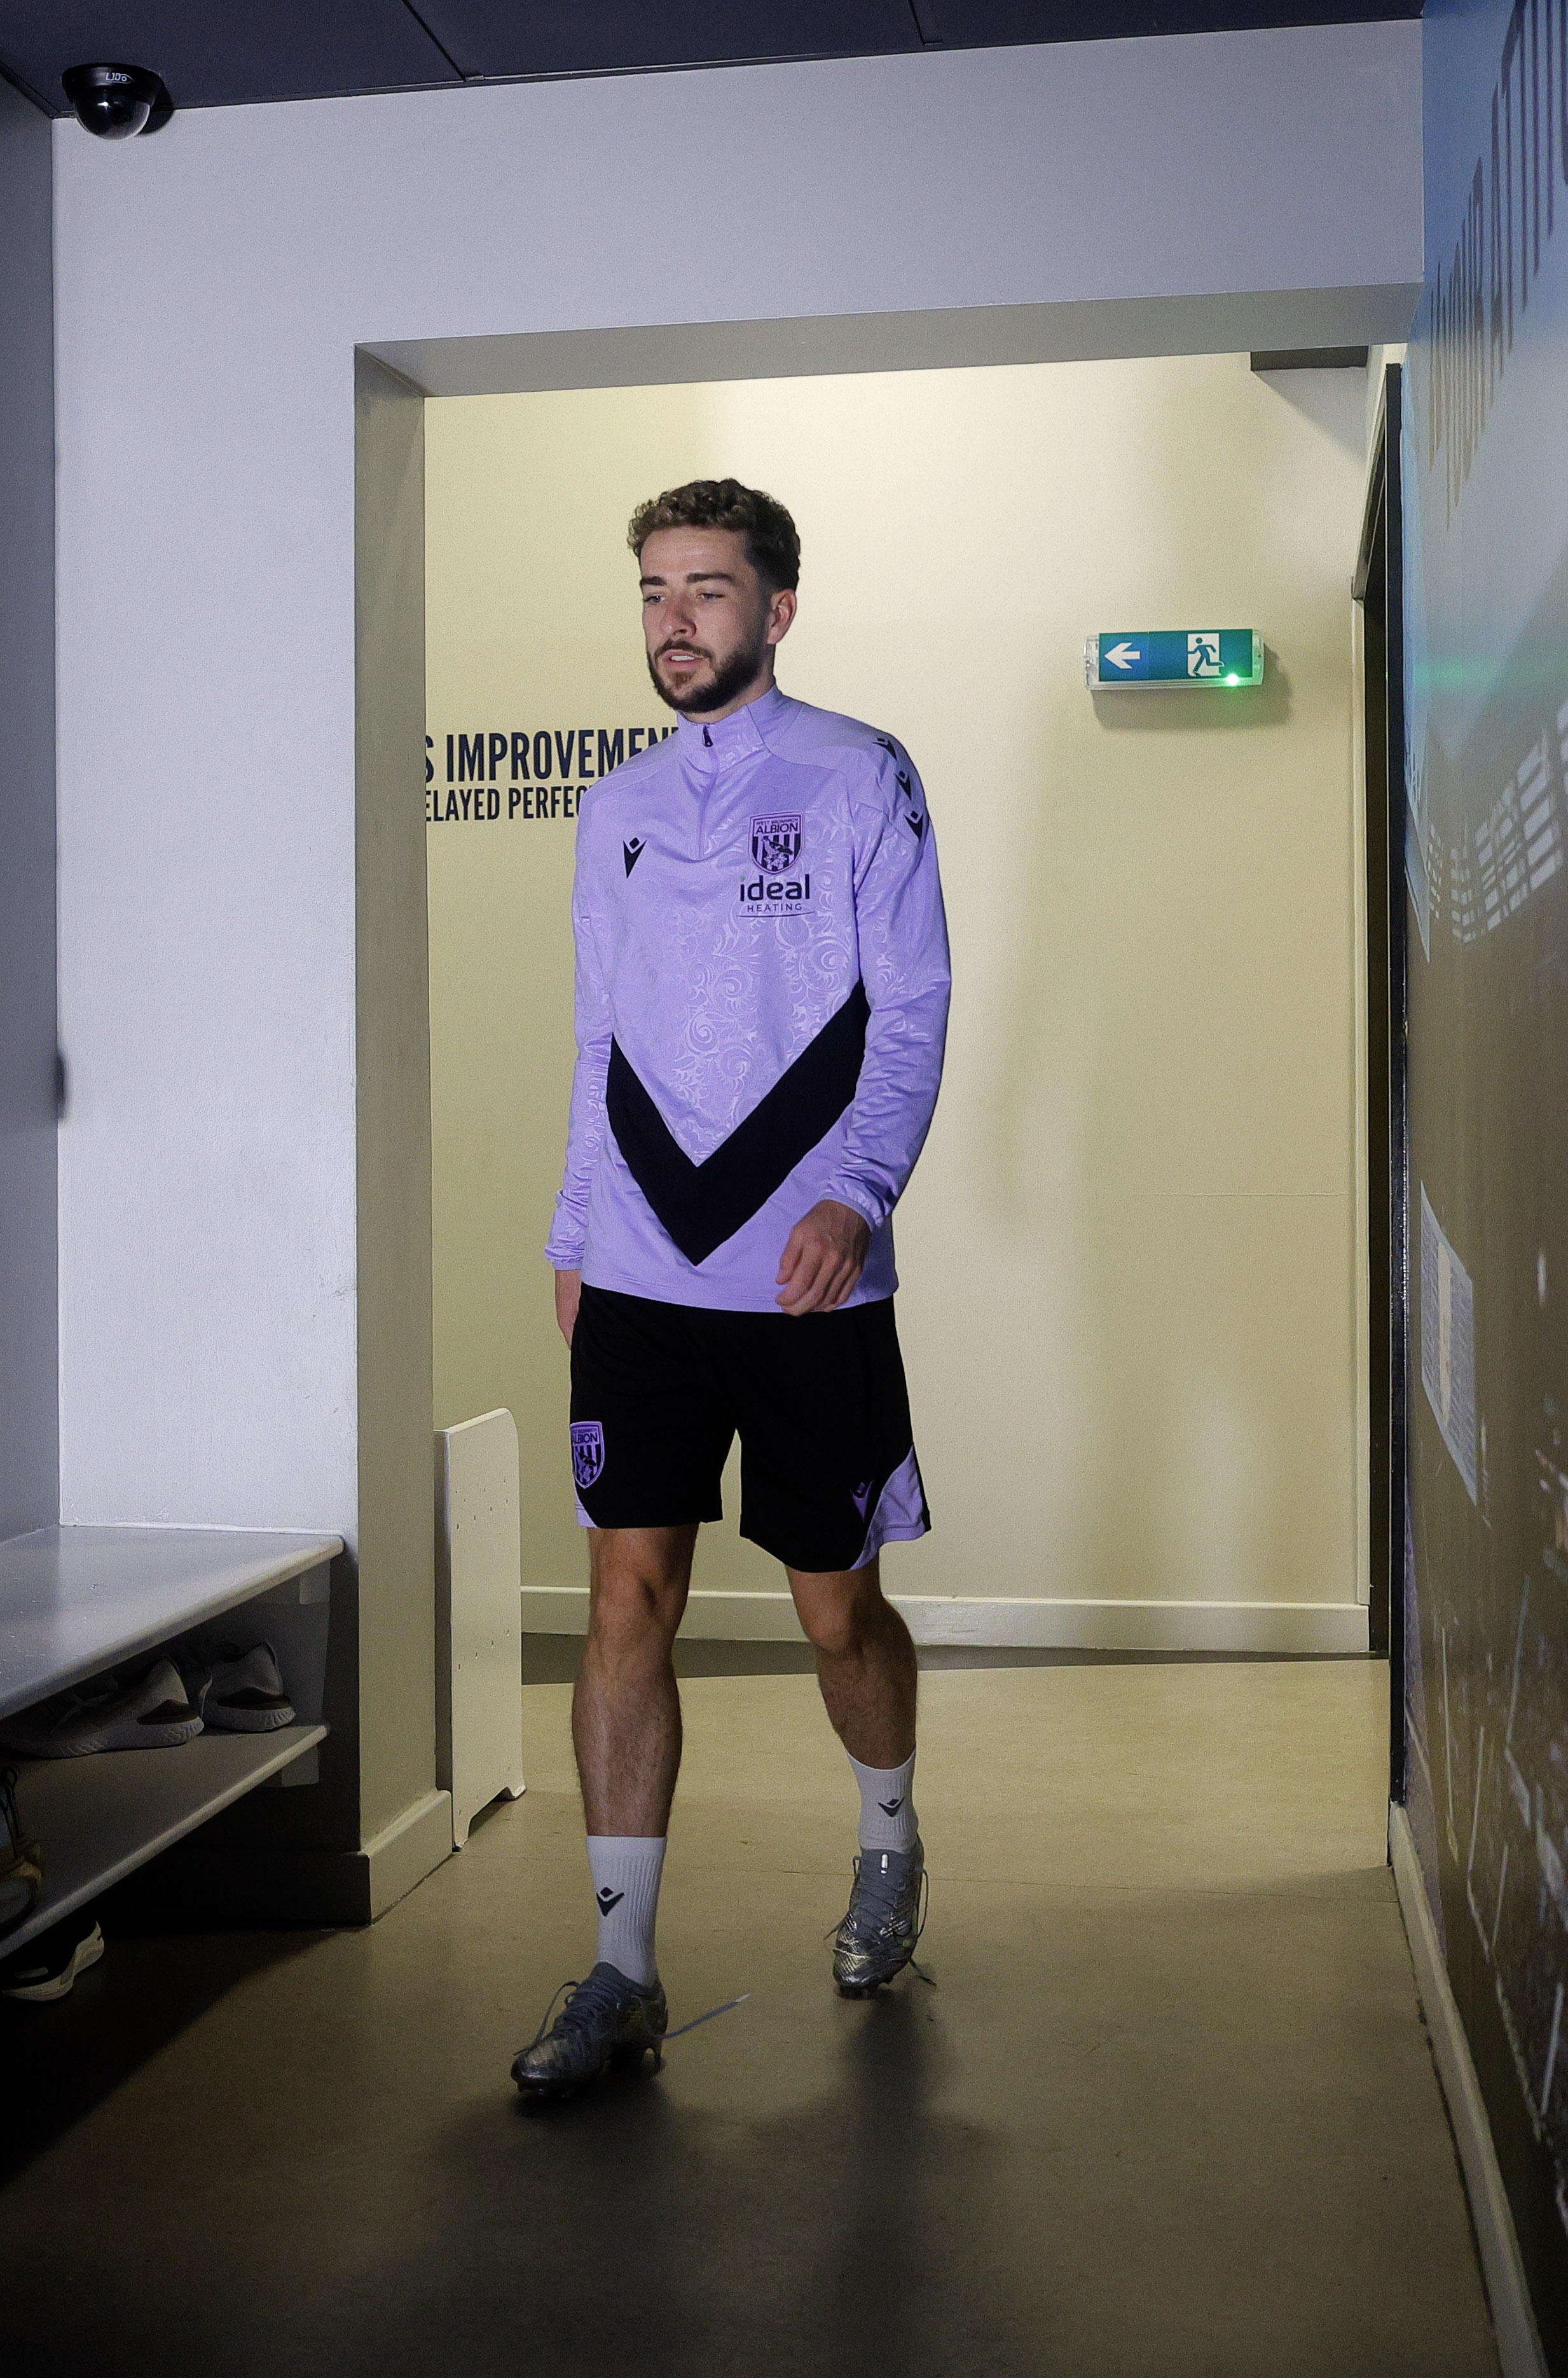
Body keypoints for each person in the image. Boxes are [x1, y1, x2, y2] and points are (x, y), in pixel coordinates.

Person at [509, 478, 952, 2098]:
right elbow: (596, 1036)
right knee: (627, 1600)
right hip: (636, 1273)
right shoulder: (611, 803)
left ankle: (890, 1839)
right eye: (651, 592)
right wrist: (575, 1227)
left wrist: (857, 1190)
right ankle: (623, 1970)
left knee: (835, 1610)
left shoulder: (862, 774)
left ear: (775, 609)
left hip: (804, 1279)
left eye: (705, 589)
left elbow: (910, 1012)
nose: (673, 618)